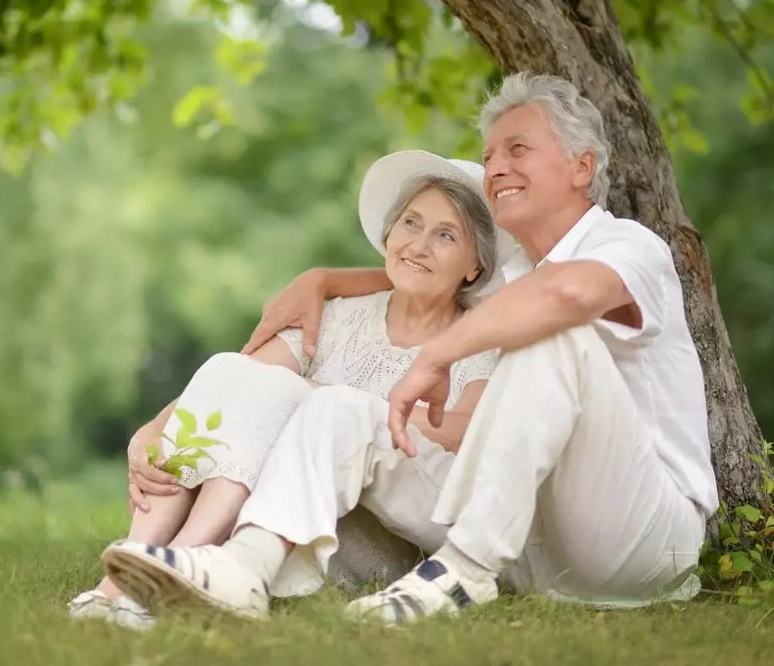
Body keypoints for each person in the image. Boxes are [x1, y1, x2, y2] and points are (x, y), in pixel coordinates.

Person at [98, 72, 719, 624]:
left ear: (581, 167)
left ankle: (464, 571)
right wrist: (325, 281)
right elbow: (433, 269)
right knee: (339, 407)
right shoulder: (515, 276)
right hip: (530, 543)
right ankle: (243, 566)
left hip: (640, 535)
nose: (496, 166)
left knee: (553, 333)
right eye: (490, 154)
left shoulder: (628, 247)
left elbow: (567, 296)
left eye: (518, 149)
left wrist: (437, 355)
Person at [69, 149, 511, 628]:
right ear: (389, 233)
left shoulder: (476, 342)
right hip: (262, 512)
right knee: (230, 367)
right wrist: (152, 430)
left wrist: (317, 392)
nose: (418, 244)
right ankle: (124, 581)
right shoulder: (342, 317)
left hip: (361, 534)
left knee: (286, 390)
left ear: (474, 266)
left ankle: (163, 569)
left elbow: (466, 432)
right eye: (410, 223)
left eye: (445, 235)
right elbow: (231, 385)